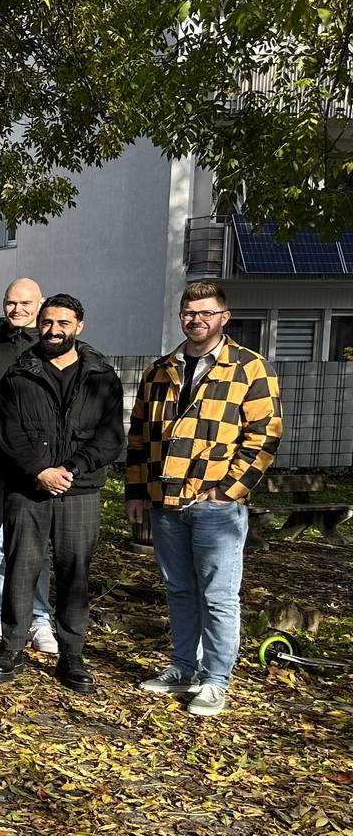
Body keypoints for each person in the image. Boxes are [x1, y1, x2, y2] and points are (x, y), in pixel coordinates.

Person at [124, 281, 282, 717]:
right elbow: (139, 437)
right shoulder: (161, 370)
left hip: (215, 506)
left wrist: (227, 489)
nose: (196, 320)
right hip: (164, 500)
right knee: (178, 589)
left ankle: (216, 680)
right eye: (189, 313)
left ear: (223, 318)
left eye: (206, 313)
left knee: (218, 595)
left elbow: (265, 436)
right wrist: (136, 492)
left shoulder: (249, 368)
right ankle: (184, 668)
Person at [0, 295, 124, 693]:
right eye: (47, 322)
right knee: (20, 570)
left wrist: (73, 468)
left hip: (80, 490)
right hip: (28, 490)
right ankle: (12, 648)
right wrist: (40, 471)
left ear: (79, 326)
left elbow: (111, 436)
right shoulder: (19, 373)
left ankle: (72, 655)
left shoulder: (102, 375)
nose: (53, 330)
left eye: (63, 323)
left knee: (75, 572)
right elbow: (7, 434)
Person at [0, 278, 55, 647]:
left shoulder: (53, 348)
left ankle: (38, 618)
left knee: (34, 544)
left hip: (37, 465)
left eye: (25, 303)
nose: (17, 309)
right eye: (10, 302)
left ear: (39, 305)